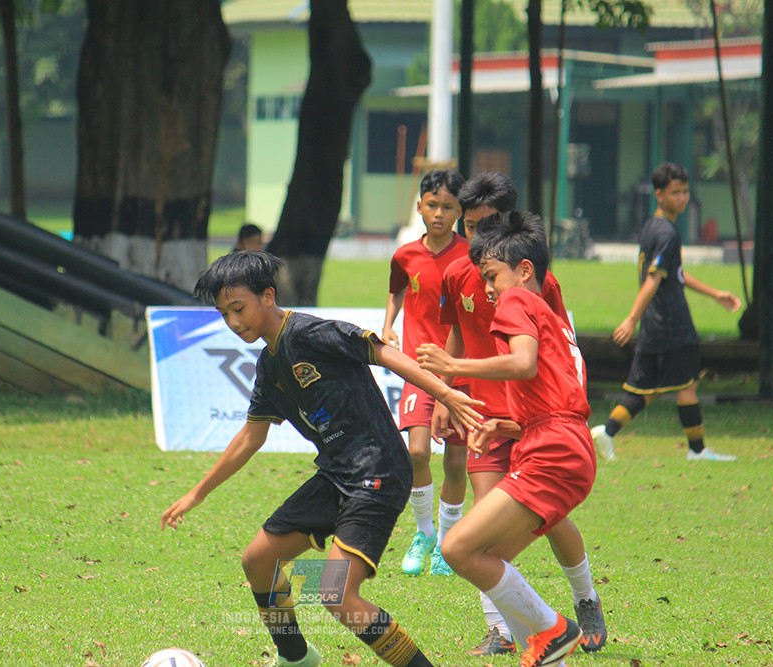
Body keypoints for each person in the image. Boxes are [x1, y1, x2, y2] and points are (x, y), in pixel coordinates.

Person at [161, 250, 485, 667]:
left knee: (336, 595)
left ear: (267, 295)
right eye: (225, 314)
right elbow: (251, 436)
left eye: (238, 308)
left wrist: (444, 391)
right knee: (258, 560)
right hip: (335, 474)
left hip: (379, 469)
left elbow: (383, 353)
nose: (234, 322)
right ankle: (296, 657)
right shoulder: (269, 365)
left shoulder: (312, 332)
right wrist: (196, 494)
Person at [427, 172, 606, 656]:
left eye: (492, 275)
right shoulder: (515, 293)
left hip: (552, 445)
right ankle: (536, 647)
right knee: (486, 554)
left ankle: (558, 629)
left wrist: (451, 366)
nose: (487, 288)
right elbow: (553, 366)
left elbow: (525, 363)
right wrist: (504, 419)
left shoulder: (516, 297)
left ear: (524, 267)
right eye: (471, 226)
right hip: (544, 434)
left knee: (459, 549)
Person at [591, 162, 741, 462]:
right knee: (687, 384)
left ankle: (606, 432)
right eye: (676, 192)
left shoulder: (652, 226)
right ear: (659, 194)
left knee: (648, 387)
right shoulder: (668, 233)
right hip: (672, 321)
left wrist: (714, 294)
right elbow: (654, 278)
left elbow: (678, 274)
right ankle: (697, 450)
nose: (682, 198)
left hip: (654, 321)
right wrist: (632, 317)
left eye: (685, 192)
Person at [382, 168, 470, 577]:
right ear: (419, 206)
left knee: (455, 461)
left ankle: (448, 545)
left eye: (447, 206)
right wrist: (388, 325)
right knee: (417, 451)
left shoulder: (470, 256)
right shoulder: (405, 254)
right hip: (419, 369)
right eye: (431, 204)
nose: (438, 213)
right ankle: (424, 533)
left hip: (460, 368)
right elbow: (396, 288)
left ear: (459, 212)